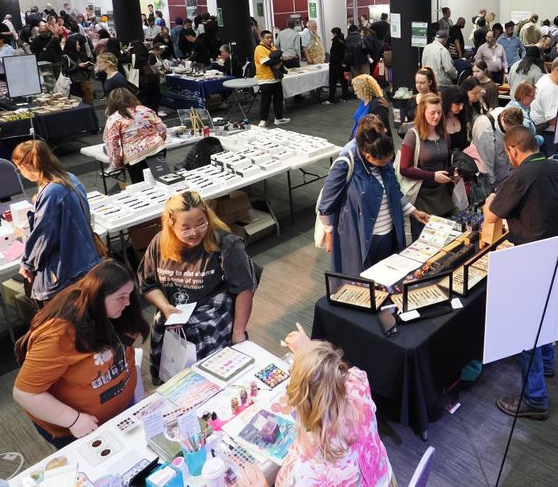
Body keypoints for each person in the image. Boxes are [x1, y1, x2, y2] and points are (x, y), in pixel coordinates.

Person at [482, 126, 558, 420]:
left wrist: (488, 203)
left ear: (512, 150)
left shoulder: (519, 176)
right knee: (545, 314)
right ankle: (547, 363)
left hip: (529, 259)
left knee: (525, 328)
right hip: (557, 252)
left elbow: (491, 215)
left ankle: (535, 398)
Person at [234, 324, 393, 487]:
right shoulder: (358, 387)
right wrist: (309, 352)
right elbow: (332, 376)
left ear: (300, 403)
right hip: (380, 477)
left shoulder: (308, 472)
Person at [13, 260, 150, 448]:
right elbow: (24, 393)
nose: (127, 303)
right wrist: (73, 420)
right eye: (121, 297)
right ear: (99, 296)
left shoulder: (114, 313)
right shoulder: (60, 334)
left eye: (129, 295)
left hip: (120, 412)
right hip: (78, 427)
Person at [139, 191, 259, 382]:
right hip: (172, 324)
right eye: (185, 228)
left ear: (208, 216)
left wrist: (238, 333)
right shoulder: (159, 243)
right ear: (171, 225)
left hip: (210, 327)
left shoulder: (225, 244)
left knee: (212, 383)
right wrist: (164, 306)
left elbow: (244, 290)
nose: (194, 232)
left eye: (201, 223)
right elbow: (148, 284)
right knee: (176, 382)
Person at [318, 126, 427, 275]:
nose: (387, 163)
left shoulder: (385, 159)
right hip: (361, 237)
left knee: (390, 277)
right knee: (363, 281)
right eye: (383, 161)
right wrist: (329, 232)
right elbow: (326, 202)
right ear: (368, 156)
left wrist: (413, 211)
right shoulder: (345, 164)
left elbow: (394, 191)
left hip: (389, 234)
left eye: (389, 160)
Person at [12, 140, 102, 304]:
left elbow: (43, 236)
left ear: (26, 166)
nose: (20, 172)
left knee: (63, 323)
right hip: (86, 260)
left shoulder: (52, 191)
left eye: (19, 168)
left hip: (64, 271)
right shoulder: (69, 178)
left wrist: (28, 264)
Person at [398, 93, 455, 231]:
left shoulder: (444, 134)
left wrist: (453, 174)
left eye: (439, 113)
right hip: (422, 198)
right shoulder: (412, 135)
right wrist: (433, 176)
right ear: (423, 113)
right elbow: (404, 169)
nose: (436, 116)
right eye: (432, 113)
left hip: (443, 196)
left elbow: (446, 161)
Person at [103, 87, 168, 183]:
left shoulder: (114, 119)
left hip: (135, 156)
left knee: (142, 186)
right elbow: (162, 128)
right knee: (162, 181)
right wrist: (159, 141)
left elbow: (112, 145)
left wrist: (117, 163)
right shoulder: (145, 110)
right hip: (156, 148)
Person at [472, 106, 525, 187]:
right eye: (511, 130)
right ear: (504, 120)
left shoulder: (509, 114)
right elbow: (486, 160)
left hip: (504, 175)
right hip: (488, 176)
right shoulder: (485, 127)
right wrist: (491, 183)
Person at [254, 30, 290, 127]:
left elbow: (276, 60)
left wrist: (278, 60)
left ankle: (279, 118)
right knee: (266, 100)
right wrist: (280, 60)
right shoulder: (259, 49)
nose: (270, 39)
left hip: (276, 78)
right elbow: (267, 62)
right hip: (265, 79)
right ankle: (263, 120)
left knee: (279, 99)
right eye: (267, 38)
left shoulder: (273, 47)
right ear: (262, 38)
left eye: (271, 37)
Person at [440, 84, 470, 150]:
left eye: (463, 104)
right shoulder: (439, 120)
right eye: (457, 104)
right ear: (448, 102)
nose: (461, 107)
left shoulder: (461, 118)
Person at [325, 27, 349, 105]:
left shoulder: (336, 42)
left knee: (332, 82)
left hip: (335, 66)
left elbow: (334, 56)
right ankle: (344, 97)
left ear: (334, 33)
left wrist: (332, 64)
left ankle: (331, 99)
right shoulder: (343, 40)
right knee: (344, 81)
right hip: (344, 65)